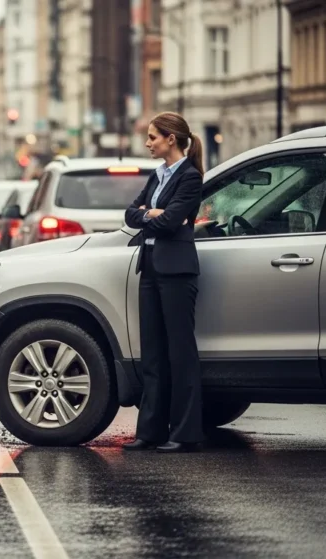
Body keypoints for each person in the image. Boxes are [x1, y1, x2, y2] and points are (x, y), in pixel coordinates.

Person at [122, 111, 205, 454]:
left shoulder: (190, 175)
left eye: (153, 137)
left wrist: (154, 215)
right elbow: (129, 214)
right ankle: (151, 432)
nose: (148, 143)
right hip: (151, 268)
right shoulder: (158, 175)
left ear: (171, 139)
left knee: (180, 353)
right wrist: (149, 214)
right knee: (152, 354)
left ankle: (185, 433)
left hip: (176, 270)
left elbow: (172, 222)